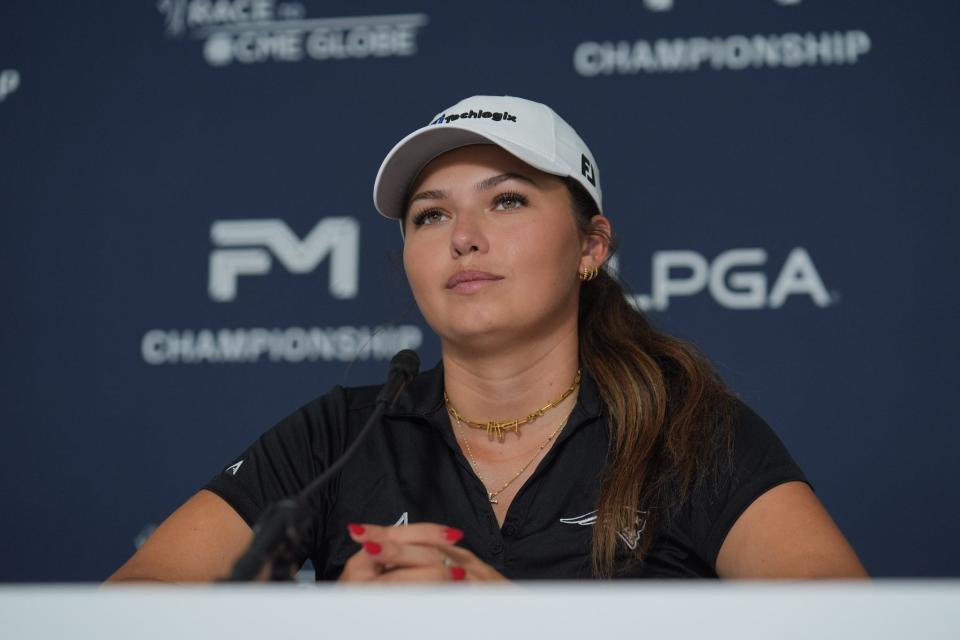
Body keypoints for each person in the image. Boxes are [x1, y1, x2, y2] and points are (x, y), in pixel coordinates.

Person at [108, 95, 866, 582]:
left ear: (590, 246)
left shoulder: (685, 428)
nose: (463, 238)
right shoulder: (344, 433)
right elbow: (126, 610)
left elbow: (848, 625)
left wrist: (514, 624)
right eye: (430, 215)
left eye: (505, 200)